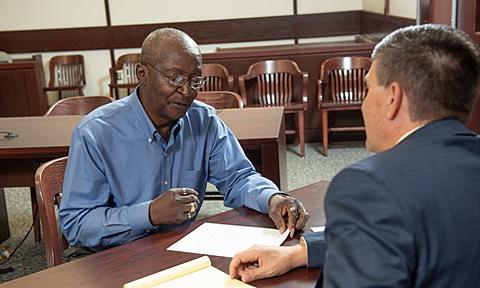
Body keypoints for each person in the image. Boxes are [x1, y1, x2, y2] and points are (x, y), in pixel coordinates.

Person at [229, 24, 480, 287]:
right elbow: (442, 227)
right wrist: (298, 253)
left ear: (393, 98)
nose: (363, 103)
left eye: (368, 89)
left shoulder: (369, 187)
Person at [59, 28, 309, 251]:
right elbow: (77, 224)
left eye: (195, 80)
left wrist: (272, 199)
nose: (187, 91)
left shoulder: (203, 120)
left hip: (181, 247)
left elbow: (238, 178)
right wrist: (149, 214)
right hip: (114, 256)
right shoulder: (95, 133)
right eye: (175, 78)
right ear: (142, 74)